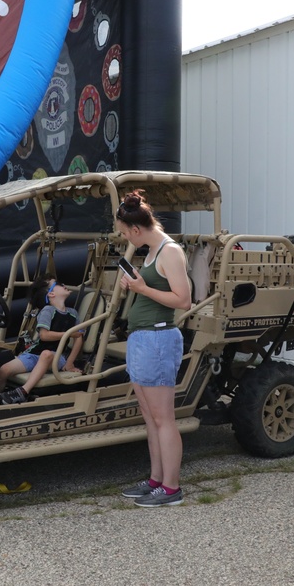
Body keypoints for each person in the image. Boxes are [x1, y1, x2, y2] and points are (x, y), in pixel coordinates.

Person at [114, 190, 191, 507]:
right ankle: (156, 480)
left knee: (164, 419)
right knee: (150, 418)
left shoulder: (169, 252)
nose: (123, 237)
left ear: (135, 229)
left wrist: (142, 287)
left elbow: (183, 301)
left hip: (158, 339)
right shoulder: (150, 250)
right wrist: (134, 285)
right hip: (143, 339)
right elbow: (151, 289)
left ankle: (171, 488)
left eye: (122, 232)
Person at [0, 276, 85, 405]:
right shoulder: (48, 311)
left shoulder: (73, 313)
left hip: (55, 357)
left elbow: (78, 337)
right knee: (4, 370)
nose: (63, 285)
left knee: (46, 354)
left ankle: (23, 392)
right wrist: (68, 334)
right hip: (34, 355)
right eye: (58, 284)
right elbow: (44, 335)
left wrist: (69, 363)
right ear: (51, 293)